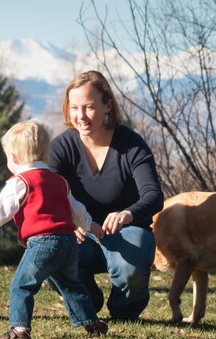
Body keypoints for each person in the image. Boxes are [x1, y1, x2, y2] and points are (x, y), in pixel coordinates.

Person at [0, 120, 108, 339]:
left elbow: (0, 212)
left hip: (43, 243)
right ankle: (92, 324)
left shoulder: (20, 182)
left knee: (22, 285)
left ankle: (19, 332)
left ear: (13, 157)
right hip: (69, 243)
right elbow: (77, 210)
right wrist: (90, 225)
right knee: (72, 284)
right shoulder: (60, 181)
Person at [48, 70, 164, 321]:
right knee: (47, 250)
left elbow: (154, 195)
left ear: (107, 105)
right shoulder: (60, 147)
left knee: (130, 268)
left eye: (89, 107)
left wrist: (128, 214)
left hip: (125, 233)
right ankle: (86, 302)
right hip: (81, 235)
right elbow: (48, 196)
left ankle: (123, 311)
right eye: (75, 107)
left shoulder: (131, 144)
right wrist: (69, 223)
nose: (81, 116)